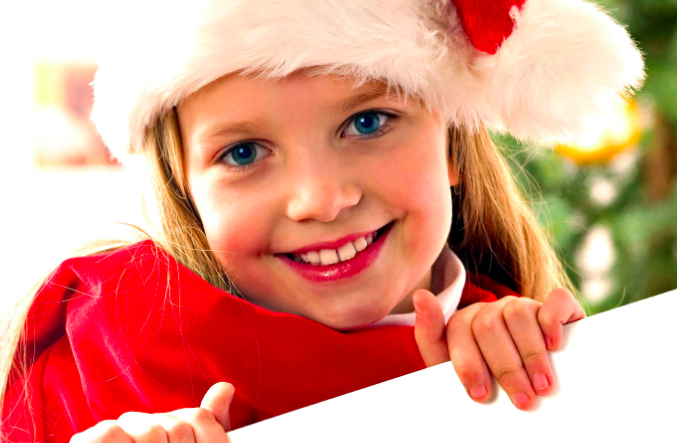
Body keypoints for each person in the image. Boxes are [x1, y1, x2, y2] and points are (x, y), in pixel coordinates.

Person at [1, 0, 643, 441]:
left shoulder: (510, 341)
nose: (320, 200)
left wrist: (541, 375)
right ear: (187, 192)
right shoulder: (104, 357)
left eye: (367, 123)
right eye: (243, 153)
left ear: (450, 145)